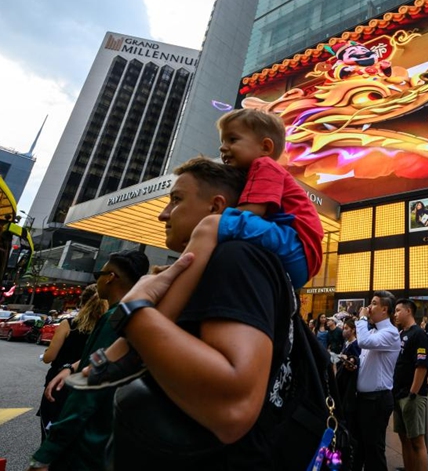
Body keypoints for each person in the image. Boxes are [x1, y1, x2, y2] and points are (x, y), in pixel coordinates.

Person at [79, 107, 324, 387]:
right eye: (222, 141)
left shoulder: (264, 166)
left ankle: (142, 340)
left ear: (265, 147)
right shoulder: (258, 173)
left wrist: (205, 237)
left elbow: (249, 214)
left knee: (210, 225)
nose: (223, 148)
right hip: (296, 253)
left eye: (232, 140)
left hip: (297, 246)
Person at [100, 157, 310, 469]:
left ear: (216, 207)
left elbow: (234, 408)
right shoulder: (219, 265)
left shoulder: (236, 258)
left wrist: (135, 312)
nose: (162, 214)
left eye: (176, 200)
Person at [28, 251, 149, 471]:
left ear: (111, 277)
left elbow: (90, 389)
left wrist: (47, 452)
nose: (98, 280)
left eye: (98, 274)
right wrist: (71, 367)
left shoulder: (117, 317)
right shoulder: (136, 314)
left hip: (88, 441)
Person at [37, 285, 108, 442]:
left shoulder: (67, 324)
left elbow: (49, 357)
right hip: (87, 386)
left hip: (58, 386)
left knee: (49, 434)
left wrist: (47, 353)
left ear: (81, 302)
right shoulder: (105, 328)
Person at [353, 291, 401, 471]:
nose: (368, 308)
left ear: (384, 309)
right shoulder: (374, 331)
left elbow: (363, 341)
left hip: (377, 400)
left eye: (373, 303)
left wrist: (362, 319)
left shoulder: (390, 333)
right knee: (361, 447)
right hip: (365, 399)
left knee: (374, 449)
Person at [393, 299, 428, 471]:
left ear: (409, 311)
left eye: (398, 310)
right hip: (398, 394)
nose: (395, 314)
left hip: (412, 396)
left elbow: (422, 365)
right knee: (404, 439)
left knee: (417, 441)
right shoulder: (401, 334)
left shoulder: (419, 334)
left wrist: (413, 394)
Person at [336, 318, 361, 436]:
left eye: (346, 329)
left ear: (353, 330)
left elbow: (356, 362)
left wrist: (349, 360)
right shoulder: (346, 343)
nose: (344, 331)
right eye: (343, 328)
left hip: (349, 384)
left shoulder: (356, 345)